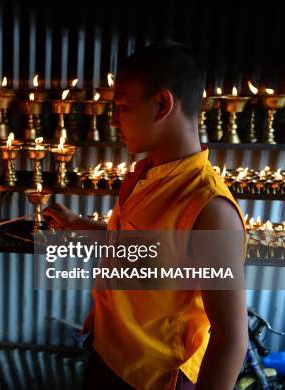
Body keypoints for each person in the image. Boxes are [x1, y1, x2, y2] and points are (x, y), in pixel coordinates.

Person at [43, 42, 247, 390]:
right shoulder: (145, 175)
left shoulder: (209, 209)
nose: (114, 120)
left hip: (152, 377)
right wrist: (78, 224)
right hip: (108, 354)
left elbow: (231, 340)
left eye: (122, 106)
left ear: (162, 104)